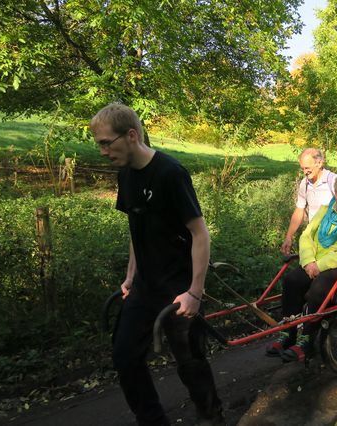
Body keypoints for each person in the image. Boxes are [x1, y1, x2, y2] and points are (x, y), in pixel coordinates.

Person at [91, 104, 223, 425]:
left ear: (132, 135)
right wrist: (130, 275)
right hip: (144, 288)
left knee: (190, 361)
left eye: (107, 142)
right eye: (99, 144)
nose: (103, 151)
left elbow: (200, 233)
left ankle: (212, 418)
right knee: (124, 357)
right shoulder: (126, 175)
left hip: (178, 288)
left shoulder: (170, 173)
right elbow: (137, 229)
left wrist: (194, 291)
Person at [266, 173, 337, 362]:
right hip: (315, 263)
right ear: (335, 193)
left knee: (320, 286)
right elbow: (306, 236)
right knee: (292, 280)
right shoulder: (326, 210)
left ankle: (307, 338)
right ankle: (288, 332)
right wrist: (308, 261)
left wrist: (320, 265)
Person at [281, 148, 337, 255]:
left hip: (333, 239)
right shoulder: (304, 184)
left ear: (319, 163)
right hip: (313, 237)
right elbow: (299, 211)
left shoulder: (334, 181)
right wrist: (289, 237)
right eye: (302, 168)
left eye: (307, 168)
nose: (305, 172)